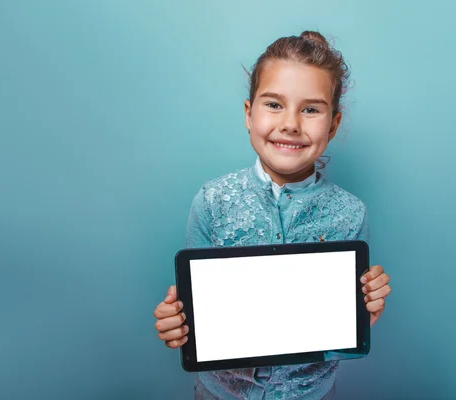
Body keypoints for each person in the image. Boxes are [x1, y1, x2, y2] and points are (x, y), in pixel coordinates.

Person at [154, 30, 392, 400]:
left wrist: (359, 315)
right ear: (249, 115)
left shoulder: (350, 213)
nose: (291, 124)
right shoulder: (212, 201)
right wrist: (179, 324)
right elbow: (193, 313)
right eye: (274, 105)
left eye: (311, 109)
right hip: (220, 394)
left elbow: (338, 335)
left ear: (333, 124)